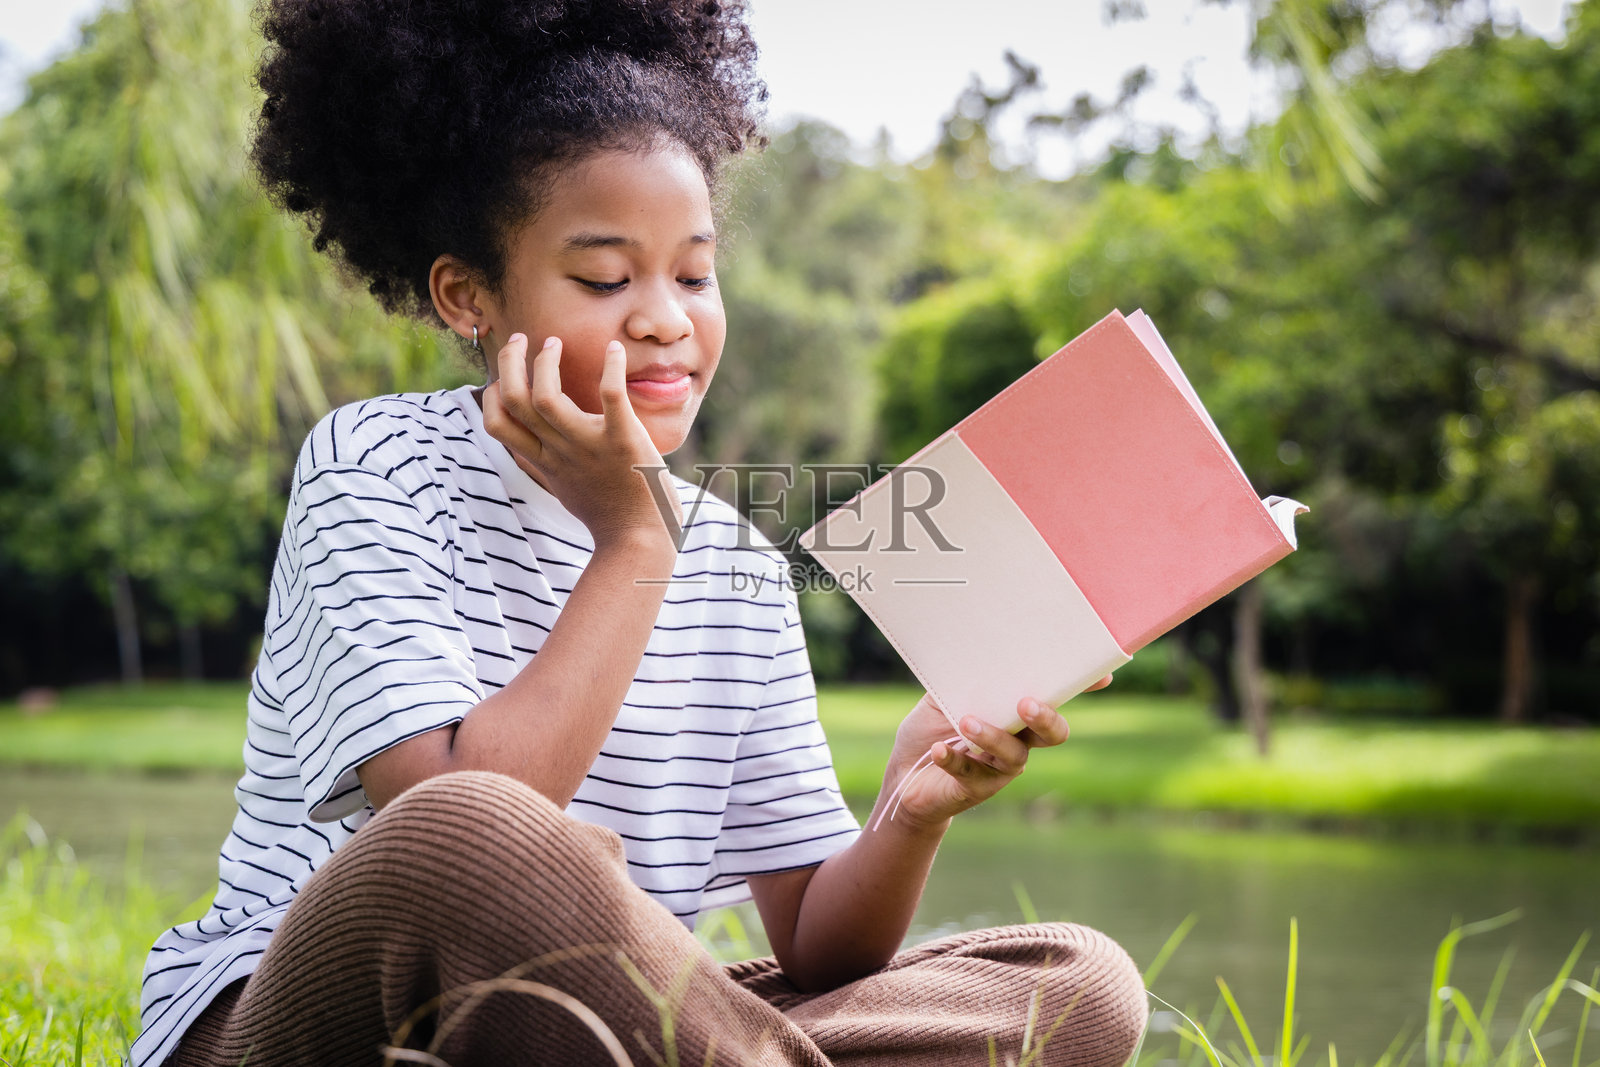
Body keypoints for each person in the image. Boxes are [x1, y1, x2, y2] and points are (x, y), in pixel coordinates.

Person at [130, 1, 1149, 1064]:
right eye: (605, 278)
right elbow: (462, 840)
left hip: (593, 1018)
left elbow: (815, 944)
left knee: (1073, 986)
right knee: (474, 826)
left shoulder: (736, 566)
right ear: (467, 295)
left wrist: (910, 802)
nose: (665, 316)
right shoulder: (373, 467)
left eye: (695, 274)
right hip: (317, 1026)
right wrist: (633, 542)